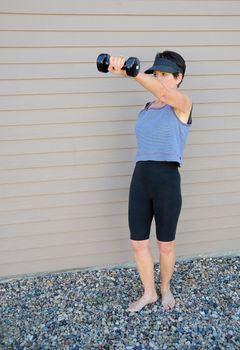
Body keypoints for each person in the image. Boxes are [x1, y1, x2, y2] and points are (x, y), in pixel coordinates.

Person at [108, 51, 193, 312]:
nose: (160, 79)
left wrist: (130, 74)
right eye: (156, 75)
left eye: (165, 75)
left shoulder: (182, 104)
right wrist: (126, 73)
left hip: (166, 180)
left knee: (165, 245)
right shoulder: (146, 109)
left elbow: (165, 95)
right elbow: (157, 95)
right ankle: (149, 293)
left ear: (179, 78)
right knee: (138, 242)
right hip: (141, 178)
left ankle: (165, 288)